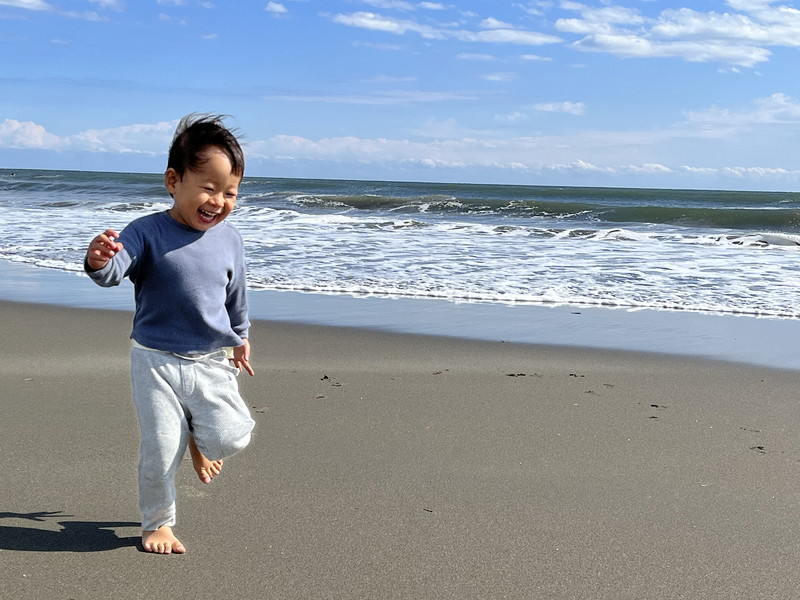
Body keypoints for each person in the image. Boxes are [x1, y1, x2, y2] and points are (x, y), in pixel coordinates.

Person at [84, 114, 256, 554]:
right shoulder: (145, 232)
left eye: (230, 192)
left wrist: (240, 335)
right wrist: (101, 259)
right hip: (155, 359)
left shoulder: (230, 239)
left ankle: (199, 437)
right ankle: (157, 523)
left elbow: (234, 293)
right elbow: (114, 272)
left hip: (212, 360)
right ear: (173, 180)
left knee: (232, 435)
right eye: (208, 187)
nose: (218, 201)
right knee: (159, 449)